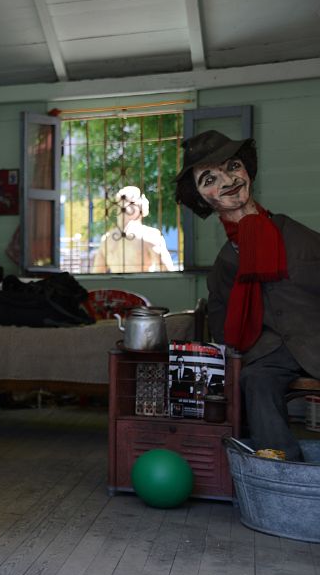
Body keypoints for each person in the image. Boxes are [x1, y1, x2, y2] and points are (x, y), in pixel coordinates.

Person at [175, 130, 320, 460]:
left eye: (233, 166)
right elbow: (224, 327)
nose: (227, 180)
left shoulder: (301, 238)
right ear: (200, 198)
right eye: (209, 178)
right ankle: (280, 469)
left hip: (315, 338)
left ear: (247, 170)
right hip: (272, 352)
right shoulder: (224, 265)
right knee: (256, 380)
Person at [91, 185, 175, 273]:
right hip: (142, 285)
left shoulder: (107, 239)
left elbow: (97, 273)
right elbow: (168, 272)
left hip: (117, 286)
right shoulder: (150, 235)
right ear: (139, 207)